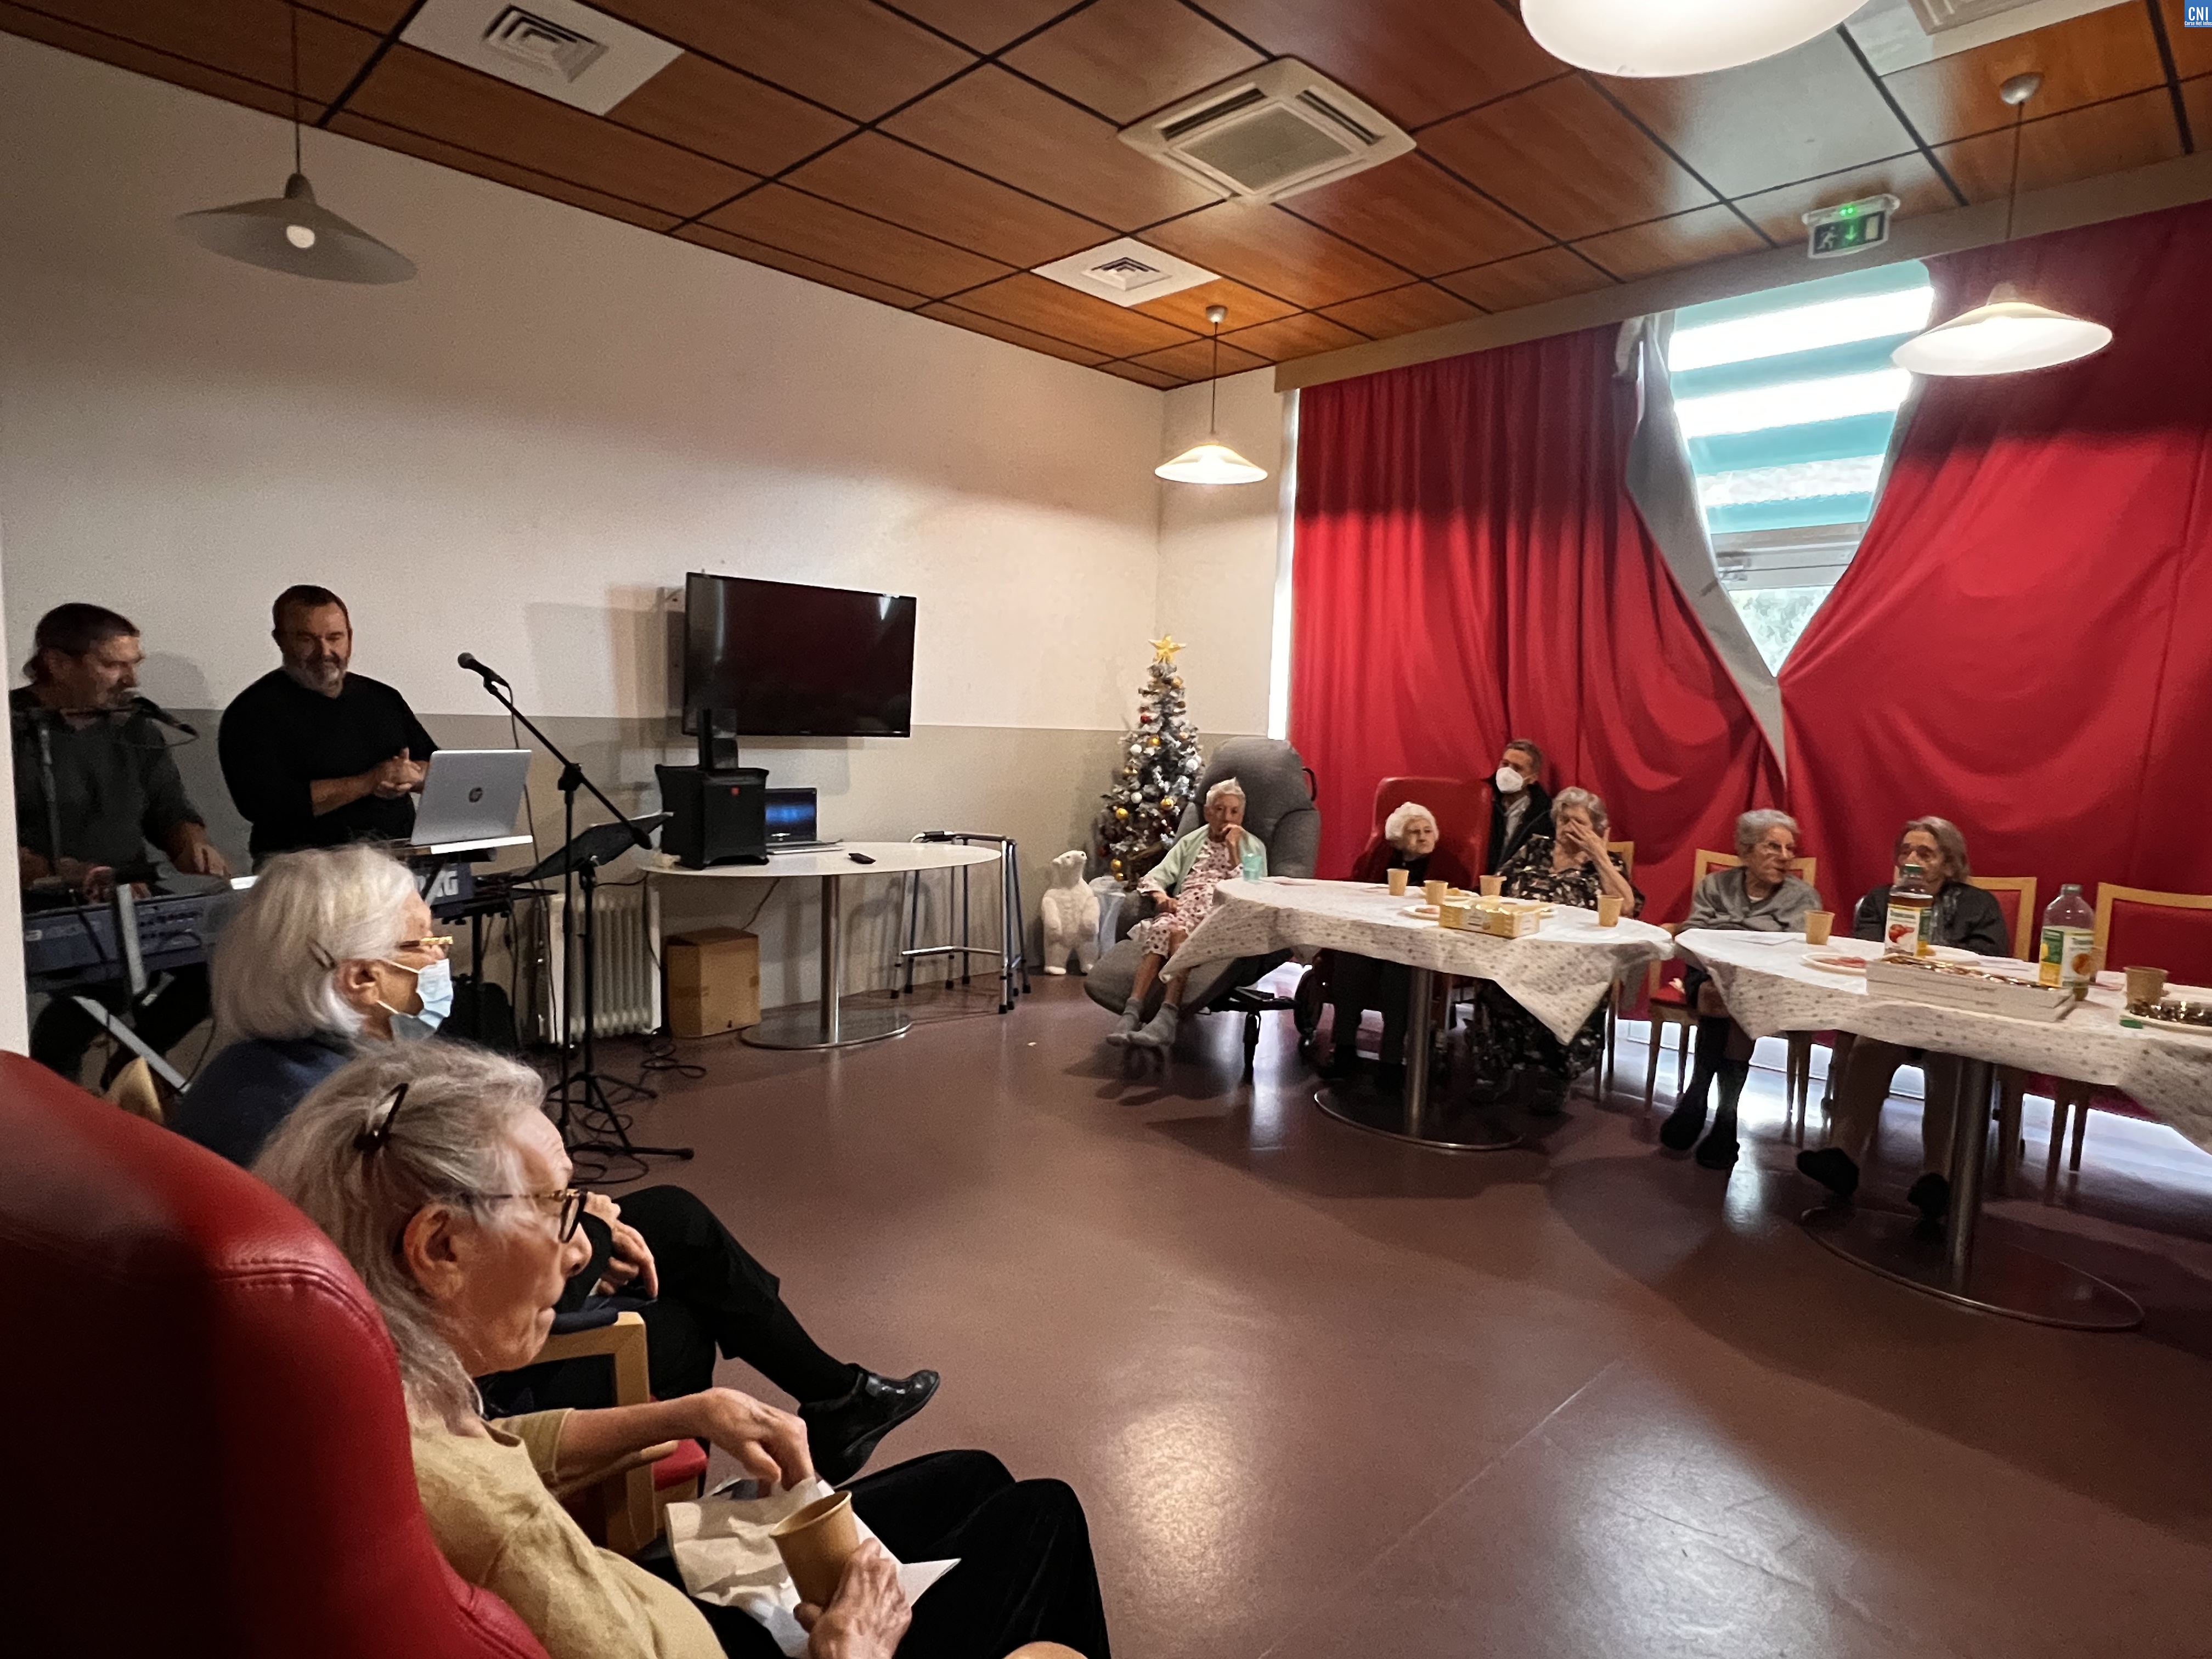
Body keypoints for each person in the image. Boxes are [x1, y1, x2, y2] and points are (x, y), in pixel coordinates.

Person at [256, 1042, 1111, 1659]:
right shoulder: (509, 1541)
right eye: (558, 1209)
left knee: (973, 1481)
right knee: (1043, 1517)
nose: (582, 1246)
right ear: (440, 1247)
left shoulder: (380, 1392)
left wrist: (691, 1410)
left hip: (647, 1599)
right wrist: (855, 1645)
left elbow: (505, 1453)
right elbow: (509, 1513)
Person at [171, 845, 936, 1483]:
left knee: (673, 1223)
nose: (442, 961)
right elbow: (436, 1270)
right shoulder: (326, 1112)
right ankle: (692, 1507)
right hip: (431, 1366)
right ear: (358, 977)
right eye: (424, 946)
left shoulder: (254, 1071)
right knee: (675, 1322)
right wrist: (581, 1234)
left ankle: (838, 1397)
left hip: (409, 1305)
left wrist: (572, 1210)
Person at [12, 602, 231, 1081]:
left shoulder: (135, 728)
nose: (130, 679)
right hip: (42, 903)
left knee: (224, 969)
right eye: (113, 664)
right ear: (58, 663)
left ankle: (131, 1070)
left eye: (135, 664)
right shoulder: (14, 730)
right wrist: (72, 874)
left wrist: (191, 844)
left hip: (133, 895)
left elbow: (170, 812)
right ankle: (53, 1098)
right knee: (101, 988)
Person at [1796, 816, 2010, 1225]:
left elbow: (1989, 956)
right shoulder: (1880, 899)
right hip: (1892, 1011)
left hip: (1952, 1015)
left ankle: (1938, 1179)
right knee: (1868, 1046)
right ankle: (1841, 1158)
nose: (1911, 860)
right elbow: (1866, 951)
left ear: (1949, 865)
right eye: (1906, 852)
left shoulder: (1979, 905)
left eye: (1925, 854)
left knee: (1953, 1060)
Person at [218, 584, 439, 861]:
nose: (324, 651)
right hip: (302, 874)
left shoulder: (383, 698)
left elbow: (439, 769)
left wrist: (414, 775)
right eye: (307, 640)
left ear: (350, 637)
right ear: (280, 640)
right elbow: (263, 805)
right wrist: (368, 782)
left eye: (335, 637)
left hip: (396, 868)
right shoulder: (252, 712)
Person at [1657, 809, 1821, 1170]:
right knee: (1720, 996)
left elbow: (1795, 947)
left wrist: (1730, 928)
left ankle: (1700, 1098)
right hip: (1711, 972)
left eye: (1789, 848)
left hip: (1766, 981)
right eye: (1773, 846)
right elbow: (1695, 932)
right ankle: (1721, 1118)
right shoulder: (1715, 886)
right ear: (1746, 852)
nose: (1784, 856)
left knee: (1736, 1001)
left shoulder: (1802, 897)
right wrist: (1753, 932)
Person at [1466, 787, 1643, 1111]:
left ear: (1597, 829)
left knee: (1571, 987)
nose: (1568, 827)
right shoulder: (1535, 848)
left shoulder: (1606, 865)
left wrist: (1599, 854)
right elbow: (1494, 889)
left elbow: (1628, 908)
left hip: (1574, 960)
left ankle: (1555, 1075)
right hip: (1517, 951)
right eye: (1564, 819)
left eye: (1578, 822)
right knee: (1493, 980)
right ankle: (1495, 1066)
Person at [1105, 778, 1269, 1053]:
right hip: (1185, 905)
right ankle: (1131, 1013)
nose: (1225, 817)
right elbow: (1157, 875)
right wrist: (1162, 897)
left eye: (1233, 811)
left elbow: (1252, 889)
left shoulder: (1253, 847)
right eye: (1218, 809)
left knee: (1179, 934)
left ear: (1242, 816)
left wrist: (1233, 849)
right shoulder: (1191, 842)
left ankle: (1167, 1017)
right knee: (1162, 928)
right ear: (1207, 813)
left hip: (1219, 912)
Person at [1322, 801, 1475, 1094]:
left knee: (1399, 972)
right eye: (1413, 831)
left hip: (1417, 945)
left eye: (1428, 830)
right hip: (1372, 937)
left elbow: (1461, 900)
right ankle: (1343, 1050)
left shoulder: (1448, 864)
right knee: (1348, 960)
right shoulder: (1379, 858)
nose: (1422, 836)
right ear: (1397, 839)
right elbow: (1358, 889)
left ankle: (1391, 1061)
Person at [1484, 738, 1552, 876]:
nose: (1508, 772)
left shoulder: (1545, 814)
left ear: (1533, 778)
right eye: (1505, 764)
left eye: (1517, 768)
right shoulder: (1481, 798)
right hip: (1474, 886)